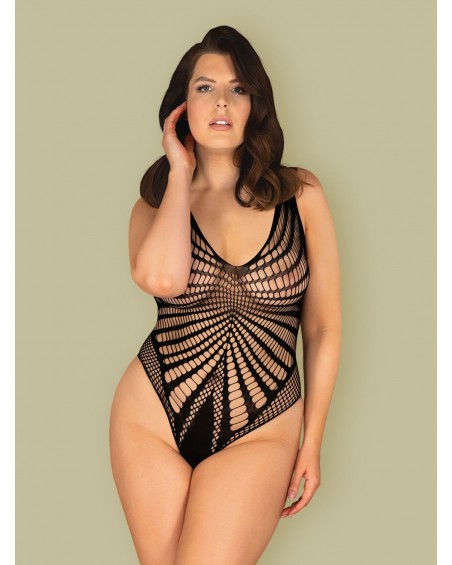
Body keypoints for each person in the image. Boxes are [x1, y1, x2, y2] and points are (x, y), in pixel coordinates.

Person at [109, 25, 341, 565]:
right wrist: (181, 171)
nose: (221, 101)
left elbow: (323, 325)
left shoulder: (300, 194)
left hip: (263, 425)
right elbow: (163, 281)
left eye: (237, 89)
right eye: (205, 88)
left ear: (255, 104)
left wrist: (312, 441)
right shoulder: (152, 206)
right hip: (151, 416)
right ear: (181, 106)